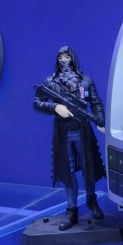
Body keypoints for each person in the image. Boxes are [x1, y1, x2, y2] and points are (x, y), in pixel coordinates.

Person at [34, 47, 106, 230]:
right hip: (63, 133)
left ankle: (91, 200)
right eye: (61, 58)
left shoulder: (86, 81)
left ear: (73, 58)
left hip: (83, 130)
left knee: (89, 168)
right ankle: (71, 210)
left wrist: (100, 120)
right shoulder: (50, 82)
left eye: (67, 57)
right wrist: (55, 107)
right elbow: (37, 103)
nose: (64, 60)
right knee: (68, 171)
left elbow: (95, 102)